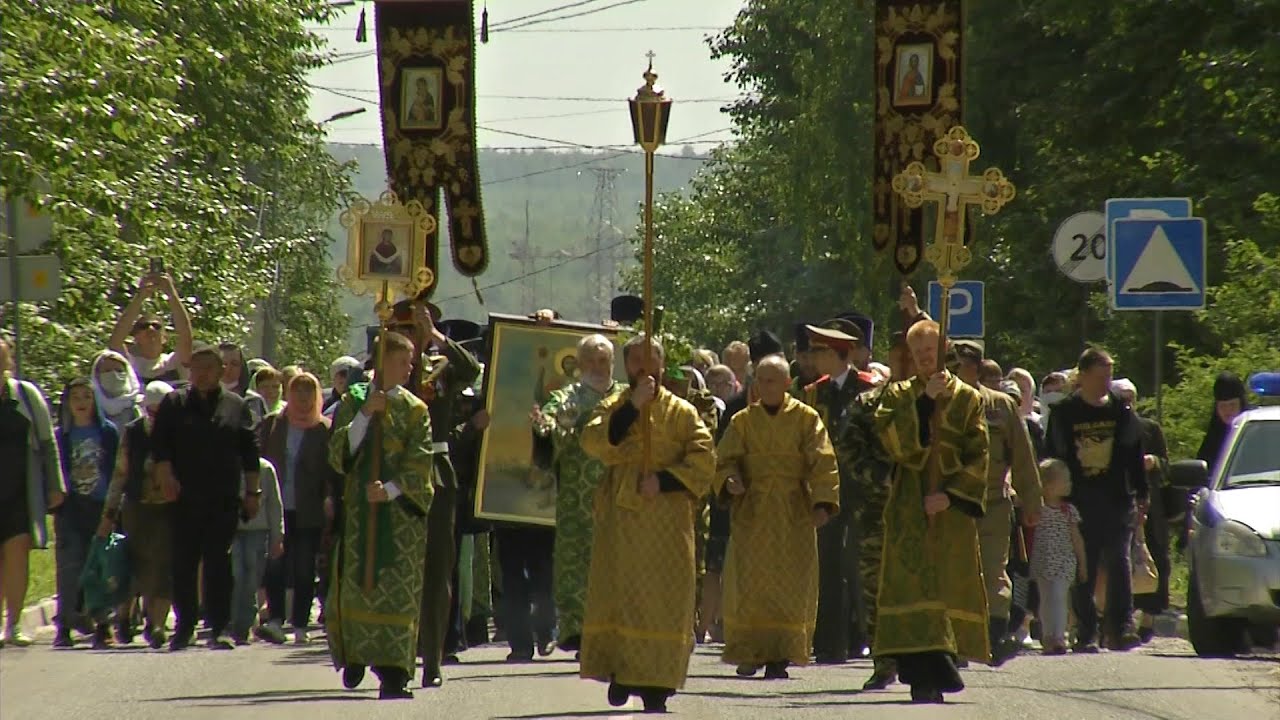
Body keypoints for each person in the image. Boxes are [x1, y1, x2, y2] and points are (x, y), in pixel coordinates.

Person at [578, 334, 715, 714]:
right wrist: (630, 409)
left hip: (668, 517)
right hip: (622, 518)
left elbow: (704, 460)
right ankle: (623, 672)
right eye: (635, 360)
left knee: (665, 598)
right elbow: (593, 441)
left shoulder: (683, 412)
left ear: (661, 365)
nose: (643, 367)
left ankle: (658, 685)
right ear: (627, 367)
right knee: (624, 594)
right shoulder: (615, 403)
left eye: (650, 360)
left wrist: (666, 480)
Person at [872, 319, 989, 704]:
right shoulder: (898, 394)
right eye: (917, 353)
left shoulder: (970, 398)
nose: (923, 359)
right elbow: (891, 440)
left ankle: (945, 663)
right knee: (911, 585)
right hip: (908, 505)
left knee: (945, 585)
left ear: (945, 349)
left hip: (948, 509)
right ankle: (920, 674)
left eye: (930, 351)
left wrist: (952, 495)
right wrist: (923, 404)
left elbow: (979, 454)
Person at [326, 330, 435, 700]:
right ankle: (356, 655)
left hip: (400, 520)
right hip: (359, 514)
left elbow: (421, 461)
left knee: (396, 594)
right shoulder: (354, 399)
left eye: (411, 363)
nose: (410, 369)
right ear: (383, 362)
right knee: (358, 585)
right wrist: (364, 417)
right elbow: (338, 451)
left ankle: (393, 674)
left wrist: (389, 490)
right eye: (403, 362)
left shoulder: (415, 409)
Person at [715, 355, 839, 679]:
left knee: (790, 584)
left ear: (787, 383)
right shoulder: (742, 421)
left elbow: (823, 461)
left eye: (773, 380)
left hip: (792, 513)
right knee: (749, 584)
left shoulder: (806, 419)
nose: (765, 386)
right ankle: (749, 652)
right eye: (761, 380)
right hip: (752, 513)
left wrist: (823, 503)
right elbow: (724, 459)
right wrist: (729, 481)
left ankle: (781, 654)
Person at [152, 342, 263, 651]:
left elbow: (249, 453)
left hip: (222, 498)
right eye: (196, 369)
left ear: (221, 371)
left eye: (208, 369)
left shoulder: (235, 405)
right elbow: (160, 447)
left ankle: (220, 627)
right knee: (183, 564)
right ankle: (184, 626)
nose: (201, 375)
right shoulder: (174, 404)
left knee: (218, 562)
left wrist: (253, 492)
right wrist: (165, 475)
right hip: (183, 498)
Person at [1044, 347, 1147, 653]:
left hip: (1117, 499)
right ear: (1083, 376)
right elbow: (1053, 457)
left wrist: (1143, 494)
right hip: (1079, 500)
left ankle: (1121, 627)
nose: (1106, 382)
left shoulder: (1122, 413)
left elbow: (1134, 457)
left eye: (1109, 376)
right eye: (1100, 376)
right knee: (1083, 567)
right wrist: (1054, 497)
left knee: (1119, 561)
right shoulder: (1064, 414)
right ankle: (1086, 631)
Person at [531, 333, 626, 656]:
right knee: (577, 565)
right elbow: (552, 428)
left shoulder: (627, 398)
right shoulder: (567, 398)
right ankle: (577, 630)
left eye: (604, 361)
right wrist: (544, 427)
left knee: (619, 562)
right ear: (579, 364)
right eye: (591, 361)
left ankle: (618, 627)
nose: (598, 367)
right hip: (578, 498)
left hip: (621, 495)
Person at [950, 340, 1042, 665]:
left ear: (974, 367)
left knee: (993, 573)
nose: (949, 370)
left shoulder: (1001, 407)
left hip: (993, 504)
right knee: (954, 574)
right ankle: (957, 643)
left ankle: (994, 637)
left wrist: (1031, 503)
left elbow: (1023, 458)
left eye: (956, 364)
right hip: (953, 505)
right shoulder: (943, 401)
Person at [257, 373, 338, 645]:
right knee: (275, 565)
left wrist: (329, 498)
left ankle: (301, 624)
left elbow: (332, 469)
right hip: (276, 507)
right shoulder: (273, 425)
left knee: (304, 568)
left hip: (308, 508)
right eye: (297, 392)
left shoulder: (324, 428)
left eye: (308, 392)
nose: (302, 399)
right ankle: (276, 619)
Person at [97, 381, 176, 648]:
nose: (155, 417)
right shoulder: (133, 433)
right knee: (136, 564)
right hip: (136, 508)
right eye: (151, 410)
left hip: (168, 507)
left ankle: (156, 625)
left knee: (164, 567)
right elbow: (120, 474)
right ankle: (124, 615)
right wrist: (109, 513)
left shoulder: (179, 433)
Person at [0, 337, 65, 648]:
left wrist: (55, 484)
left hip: (19, 492)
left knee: (16, 556)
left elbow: (48, 442)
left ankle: (12, 624)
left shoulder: (26, 396)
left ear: (9, 362)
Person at [53, 377, 121, 649]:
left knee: (102, 565)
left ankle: (103, 623)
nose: (81, 403)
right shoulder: (62, 435)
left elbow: (117, 469)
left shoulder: (107, 432)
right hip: (70, 508)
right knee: (69, 565)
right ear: (67, 403)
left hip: (100, 506)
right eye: (76, 397)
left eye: (86, 397)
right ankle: (66, 624)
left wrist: (114, 508)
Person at [1112, 378, 1171, 643]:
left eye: (1130, 398)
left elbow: (1166, 465)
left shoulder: (1150, 428)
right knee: (1120, 558)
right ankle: (1119, 617)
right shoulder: (1109, 428)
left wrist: (1154, 462)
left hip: (1149, 504)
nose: (1127, 404)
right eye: (1121, 399)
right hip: (1118, 501)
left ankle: (1149, 617)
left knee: (1155, 557)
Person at [1029, 459, 1087, 655]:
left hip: (1064, 562)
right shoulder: (1037, 509)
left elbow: (1076, 538)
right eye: (1065, 480)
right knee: (1046, 599)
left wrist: (1082, 563)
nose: (1069, 484)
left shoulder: (1068, 511)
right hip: (1042, 561)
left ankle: (1059, 636)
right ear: (1047, 485)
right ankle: (1048, 636)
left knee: (1059, 597)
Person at [230, 457, 284, 645]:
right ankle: (233, 623)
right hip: (232, 530)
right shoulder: (228, 463)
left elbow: (274, 505)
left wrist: (278, 535)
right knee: (235, 574)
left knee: (252, 579)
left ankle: (245, 625)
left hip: (258, 531)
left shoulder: (265, 468)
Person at [107, 273, 194, 384]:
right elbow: (115, 341)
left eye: (157, 326)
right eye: (144, 326)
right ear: (135, 337)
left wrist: (171, 293)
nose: (151, 329)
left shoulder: (174, 362)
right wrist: (140, 297)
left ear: (164, 338)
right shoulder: (129, 364)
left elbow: (186, 335)